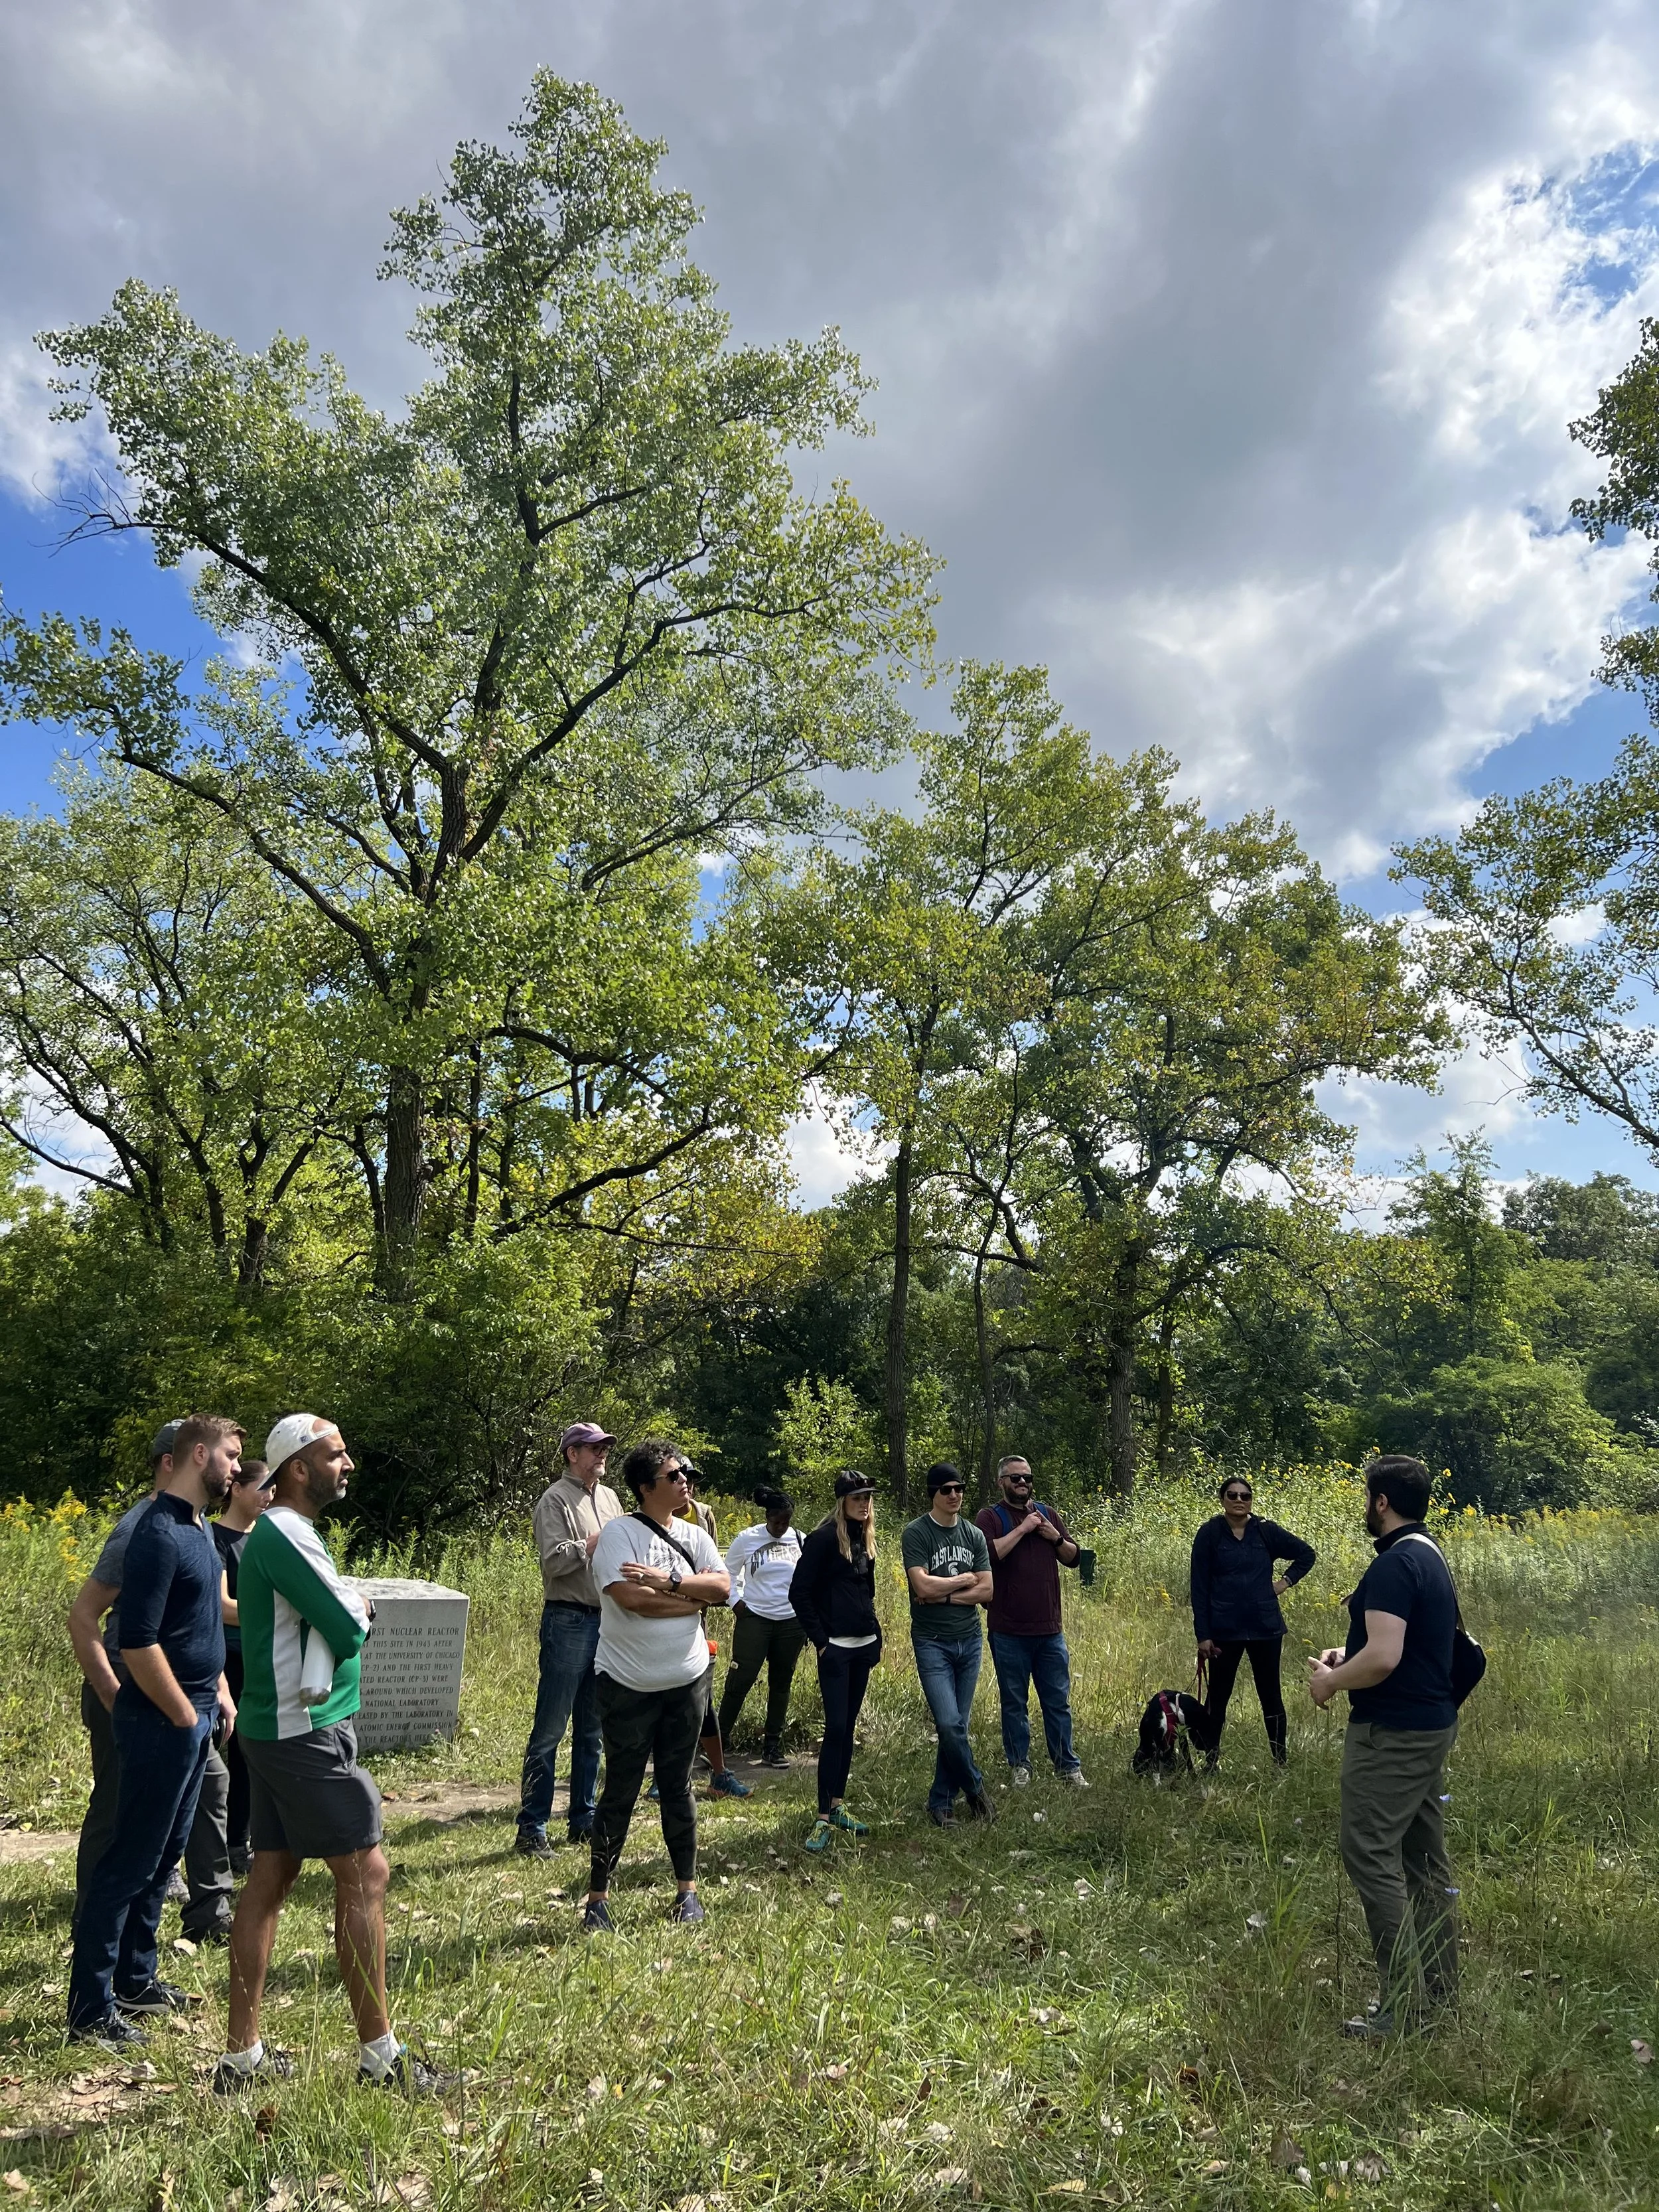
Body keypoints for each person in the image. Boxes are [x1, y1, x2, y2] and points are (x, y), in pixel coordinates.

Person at [217, 1413, 444, 2095]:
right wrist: (356, 1610)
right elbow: (345, 1627)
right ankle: (381, 2057)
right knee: (365, 1874)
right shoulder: (285, 1532)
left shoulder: (287, 1534)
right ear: (296, 1467)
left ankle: (241, 2059)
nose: (348, 1465)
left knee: (270, 1878)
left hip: (280, 1726)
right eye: (336, 1455)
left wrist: (345, 1604)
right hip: (304, 1733)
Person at [66, 1415, 242, 2048]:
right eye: (230, 1455)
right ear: (199, 1455)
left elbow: (198, 1624)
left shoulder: (198, 1531)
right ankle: (90, 2008)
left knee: (164, 1856)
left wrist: (216, 1694)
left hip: (193, 1720)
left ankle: (137, 1981)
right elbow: (136, 1642)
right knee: (127, 1864)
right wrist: (178, 1712)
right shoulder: (154, 1532)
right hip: (165, 1722)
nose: (237, 1468)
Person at [1307, 1455, 1461, 2039]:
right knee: (1424, 1862)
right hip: (1429, 1723)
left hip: (1392, 1734)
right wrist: (1352, 1658)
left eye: (1366, 1495)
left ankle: (1401, 2007)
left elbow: (1387, 1657)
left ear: (1380, 1502)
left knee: (1370, 1852)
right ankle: (1441, 1996)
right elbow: (1404, 1647)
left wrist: (1331, 1680)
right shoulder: (1430, 1553)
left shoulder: (1397, 1563)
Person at [582, 1440, 730, 1931]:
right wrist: (691, 1598)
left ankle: (687, 1892)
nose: (686, 1479)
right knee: (621, 1787)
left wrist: (667, 1583)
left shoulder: (695, 1535)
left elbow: (722, 1589)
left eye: (687, 1472)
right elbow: (629, 1600)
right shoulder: (618, 1536)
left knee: (678, 1786)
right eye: (675, 1474)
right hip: (627, 1683)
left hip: (687, 1680)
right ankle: (598, 1899)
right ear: (647, 1487)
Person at [515, 1421, 623, 1859]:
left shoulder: (612, 1497)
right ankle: (531, 1828)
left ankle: (583, 1820)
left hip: (607, 1619)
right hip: (568, 1620)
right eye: (593, 1448)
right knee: (550, 1729)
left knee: (593, 1730)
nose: (601, 1455)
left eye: (605, 1449)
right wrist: (590, 1544)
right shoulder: (554, 1499)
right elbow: (553, 1563)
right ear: (571, 1454)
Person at [974, 1454, 1088, 1789]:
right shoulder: (990, 1517)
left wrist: (1053, 1536)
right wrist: (1024, 1529)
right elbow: (990, 1554)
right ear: (1001, 1483)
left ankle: (1067, 1766)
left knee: (1058, 1702)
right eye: (1015, 1479)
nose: (1022, 1484)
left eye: (1027, 1478)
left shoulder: (1048, 1514)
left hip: (1050, 1630)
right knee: (1014, 1703)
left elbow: (1073, 1558)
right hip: (1008, 1630)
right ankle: (1020, 1765)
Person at [1190, 1476, 1317, 1769]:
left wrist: (1284, 1583)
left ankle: (1279, 1762)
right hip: (1224, 1629)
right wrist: (1203, 1635)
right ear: (1222, 1499)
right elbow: (1199, 1587)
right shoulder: (1209, 1534)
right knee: (1219, 1697)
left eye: (1245, 1496)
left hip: (1265, 1627)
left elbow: (1306, 1554)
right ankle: (1210, 1761)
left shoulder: (1265, 1531)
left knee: (1270, 1695)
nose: (1239, 1501)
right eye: (1232, 1495)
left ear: (1251, 1500)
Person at [790, 1471, 881, 1854]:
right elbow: (800, 1592)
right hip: (836, 1650)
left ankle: (839, 1806)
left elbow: (865, 1589)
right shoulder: (824, 1538)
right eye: (857, 1497)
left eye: (868, 1497)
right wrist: (822, 1642)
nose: (864, 1503)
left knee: (848, 1731)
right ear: (842, 1499)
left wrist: (875, 1631)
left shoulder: (865, 1537)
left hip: (863, 1645)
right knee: (836, 1727)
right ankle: (823, 1817)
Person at [902, 1463, 996, 1828]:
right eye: (946, 1490)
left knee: (956, 1726)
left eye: (958, 1488)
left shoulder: (973, 1535)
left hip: (970, 1641)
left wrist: (945, 1594)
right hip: (932, 1642)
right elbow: (920, 1588)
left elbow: (987, 1590)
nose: (954, 1495)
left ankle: (940, 1802)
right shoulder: (917, 1533)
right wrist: (964, 1582)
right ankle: (974, 1789)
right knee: (949, 1723)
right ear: (933, 1495)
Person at [213, 1456, 277, 1876]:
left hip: (265, 1656)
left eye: (274, 1489)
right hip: (229, 1659)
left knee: (253, 1756)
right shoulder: (215, 1538)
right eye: (263, 1487)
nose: (270, 1496)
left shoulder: (270, 1536)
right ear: (237, 1489)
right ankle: (221, 1847)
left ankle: (243, 1842)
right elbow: (222, 1608)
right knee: (227, 1754)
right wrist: (278, 1610)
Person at [715, 1487, 807, 1766]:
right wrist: (736, 1603)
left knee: (781, 1683)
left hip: (790, 1622)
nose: (781, 1527)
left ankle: (772, 1746)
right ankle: (718, 1743)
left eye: (786, 1521)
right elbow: (728, 1573)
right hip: (755, 1618)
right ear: (767, 1516)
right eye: (776, 1521)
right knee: (739, 1680)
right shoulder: (748, 1538)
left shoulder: (800, 1540)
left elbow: (808, 1577)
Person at [677, 1459, 750, 1798]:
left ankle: (717, 1772)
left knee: (701, 1695)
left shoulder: (703, 1514)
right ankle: (667, 1775)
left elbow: (716, 1572)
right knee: (668, 1697)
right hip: (660, 1615)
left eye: (692, 1478)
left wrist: (704, 1592)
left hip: (697, 1613)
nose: (688, 1484)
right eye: (681, 1478)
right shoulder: (645, 1520)